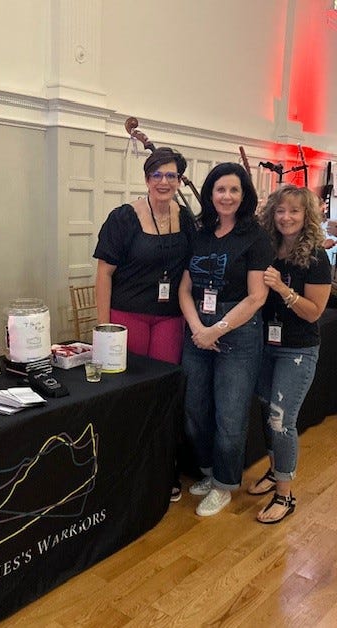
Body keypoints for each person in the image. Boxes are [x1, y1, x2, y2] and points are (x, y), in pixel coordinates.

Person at [93, 146, 197, 502]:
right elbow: (104, 274)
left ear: (179, 180)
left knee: (165, 393)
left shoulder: (188, 220)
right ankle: (127, 468)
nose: (164, 182)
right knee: (131, 392)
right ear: (147, 178)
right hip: (127, 316)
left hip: (169, 318)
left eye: (171, 175)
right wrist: (102, 329)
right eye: (157, 175)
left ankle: (163, 468)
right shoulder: (123, 218)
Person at [178, 162, 272, 517]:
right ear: (210, 193)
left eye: (234, 190)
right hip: (198, 328)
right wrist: (198, 329)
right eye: (220, 189)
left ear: (244, 194)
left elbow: (256, 297)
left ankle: (224, 484)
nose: (227, 196)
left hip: (238, 332)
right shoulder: (200, 232)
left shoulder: (255, 236)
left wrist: (216, 329)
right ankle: (208, 471)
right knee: (194, 409)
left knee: (230, 417)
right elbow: (185, 289)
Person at [248, 185, 331, 524]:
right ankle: (274, 471)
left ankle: (286, 494)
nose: (286, 217)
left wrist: (282, 288)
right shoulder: (267, 247)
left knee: (282, 421)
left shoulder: (316, 256)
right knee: (268, 412)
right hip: (265, 344)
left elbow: (314, 312)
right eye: (280, 211)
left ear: (306, 215)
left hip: (297, 350)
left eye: (294, 211)